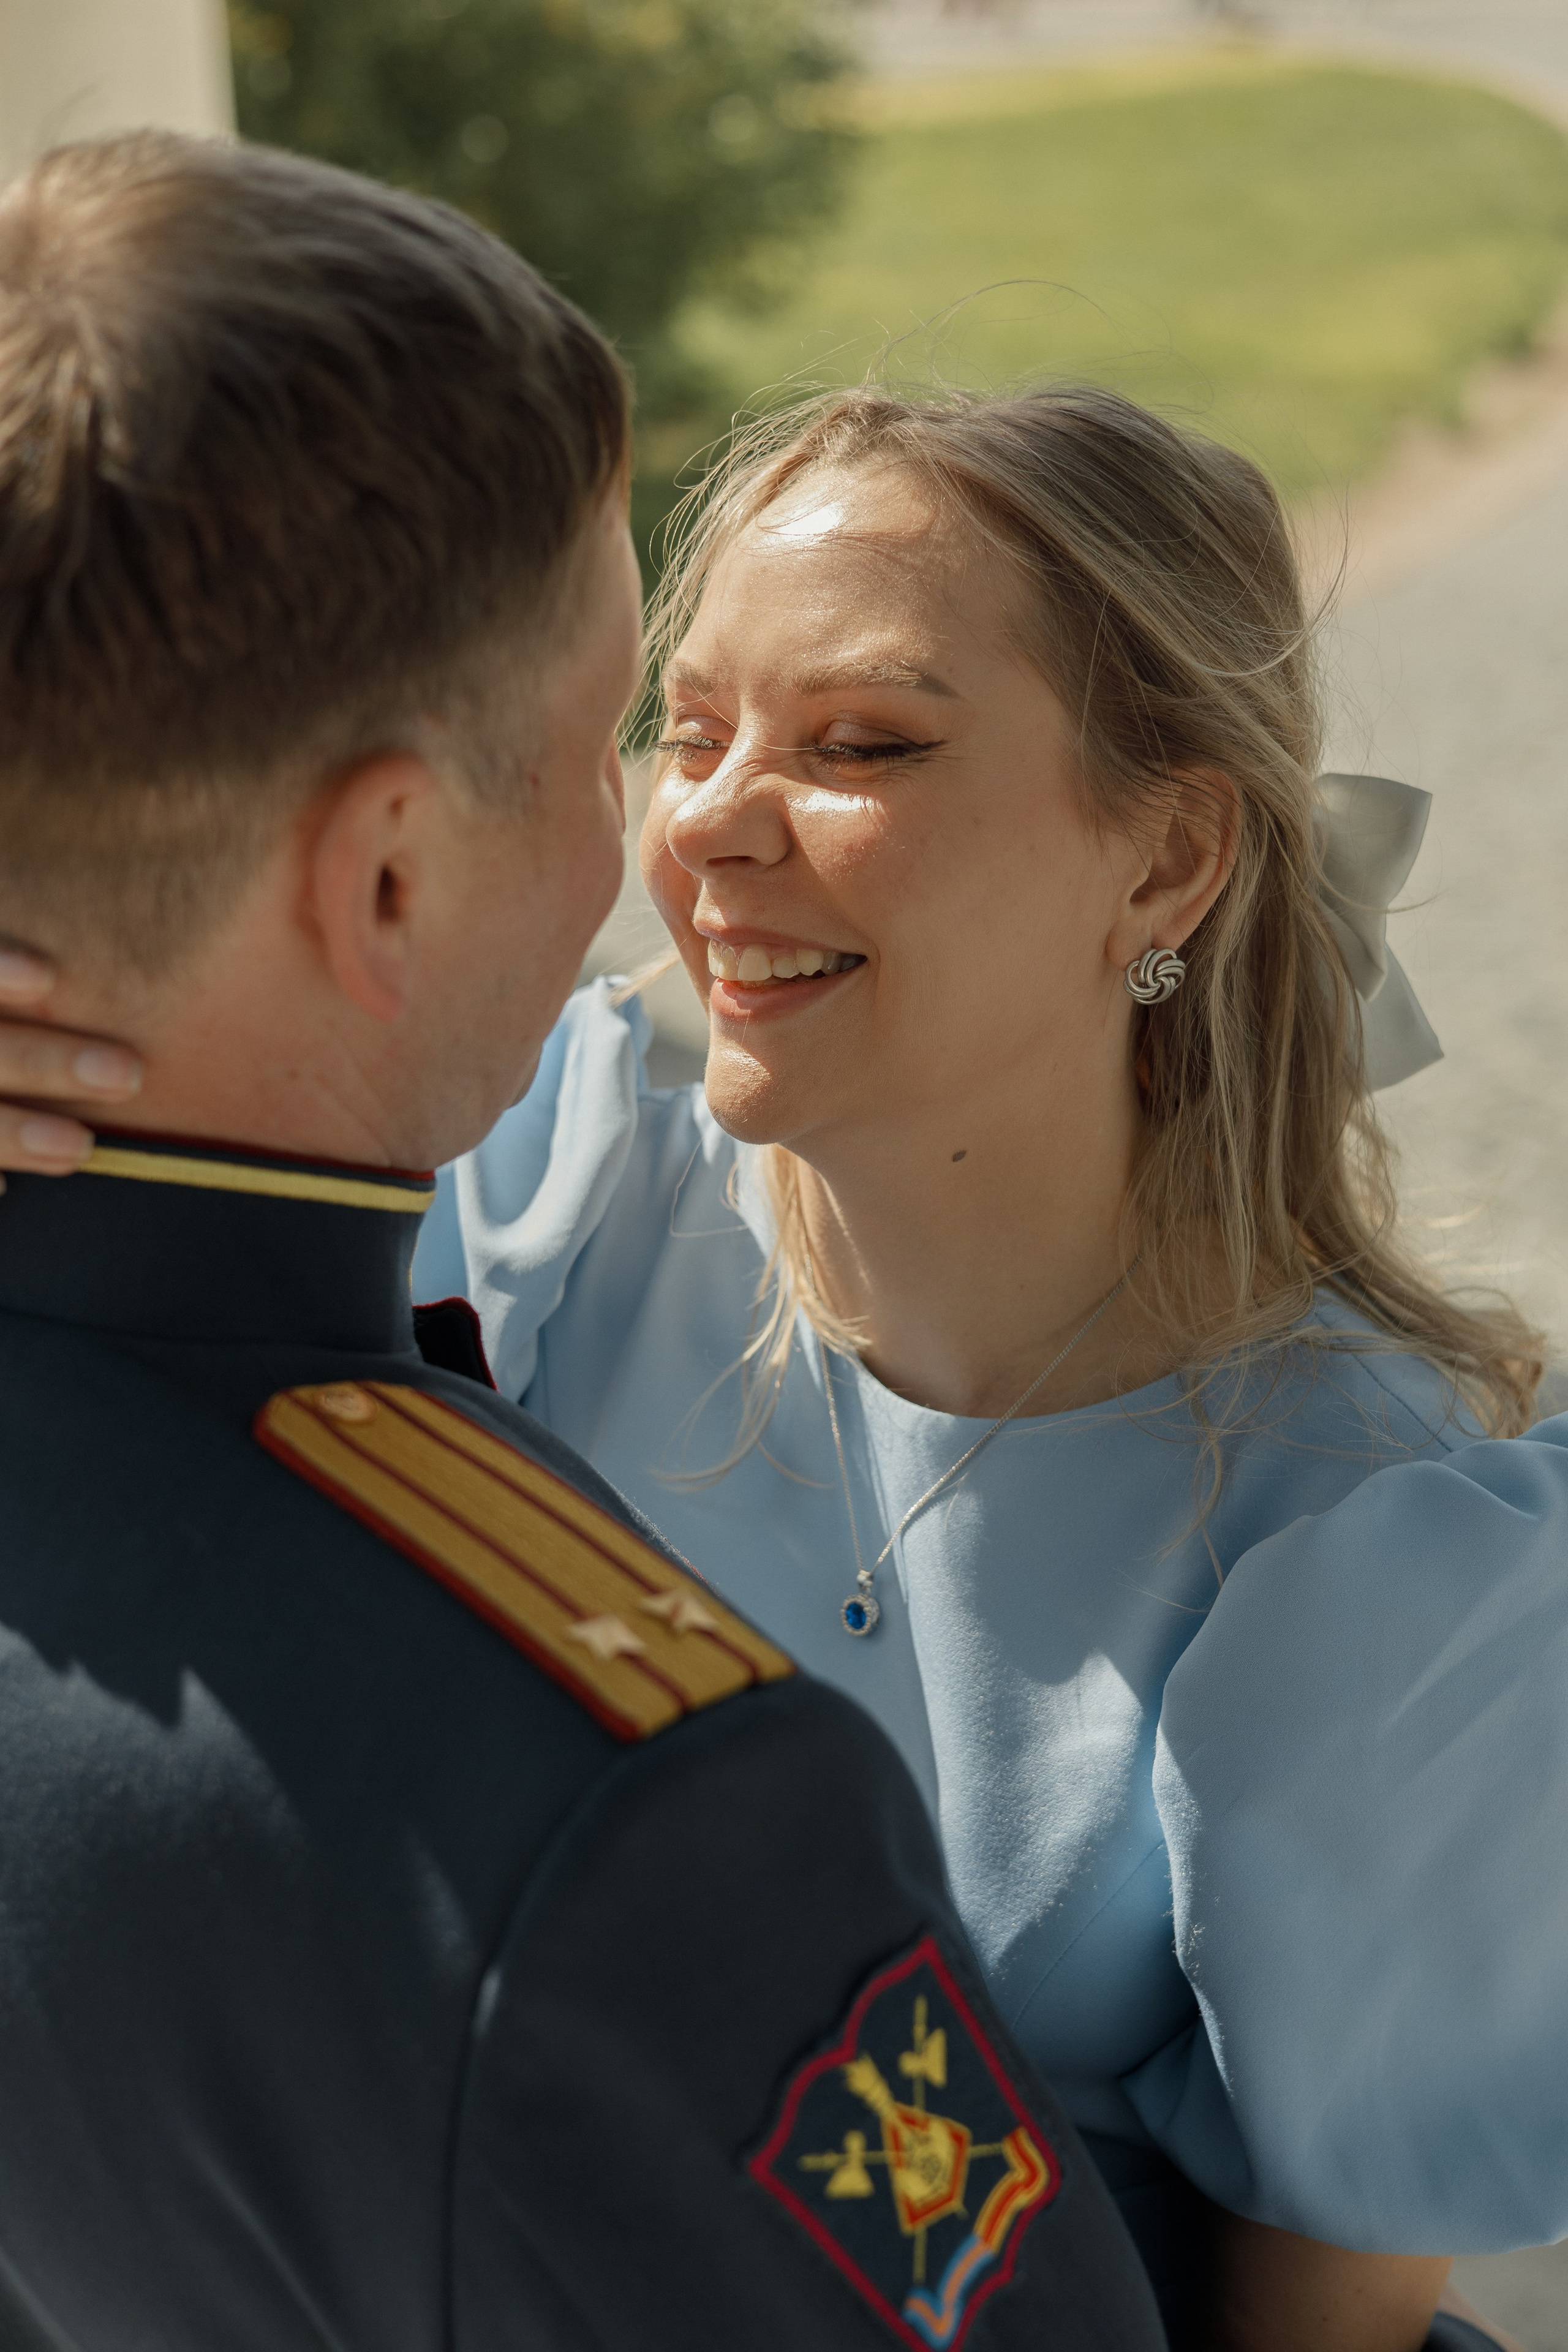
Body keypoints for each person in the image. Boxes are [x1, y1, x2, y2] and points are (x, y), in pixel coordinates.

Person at [0, 225, 1536, 2352]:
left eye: (868, 745)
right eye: (684, 723)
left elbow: (1309, 2330)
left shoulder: (1383, 1554)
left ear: (1168, 860)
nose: (710, 822)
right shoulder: (551, 1173)